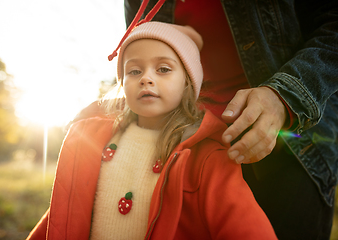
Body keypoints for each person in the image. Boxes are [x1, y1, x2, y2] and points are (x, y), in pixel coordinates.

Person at [27, 21, 277, 239]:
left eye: (163, 69)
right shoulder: (91, 141)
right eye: (134, 71)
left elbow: (246, 229)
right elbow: (64, 216)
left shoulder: (207, 156)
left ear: (188, 83)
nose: (146, 78)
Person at [121, 0, 338, 239]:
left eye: (163, 69)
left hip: (294, 148)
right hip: (184, 150)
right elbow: (141, 52)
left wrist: (285, 96)